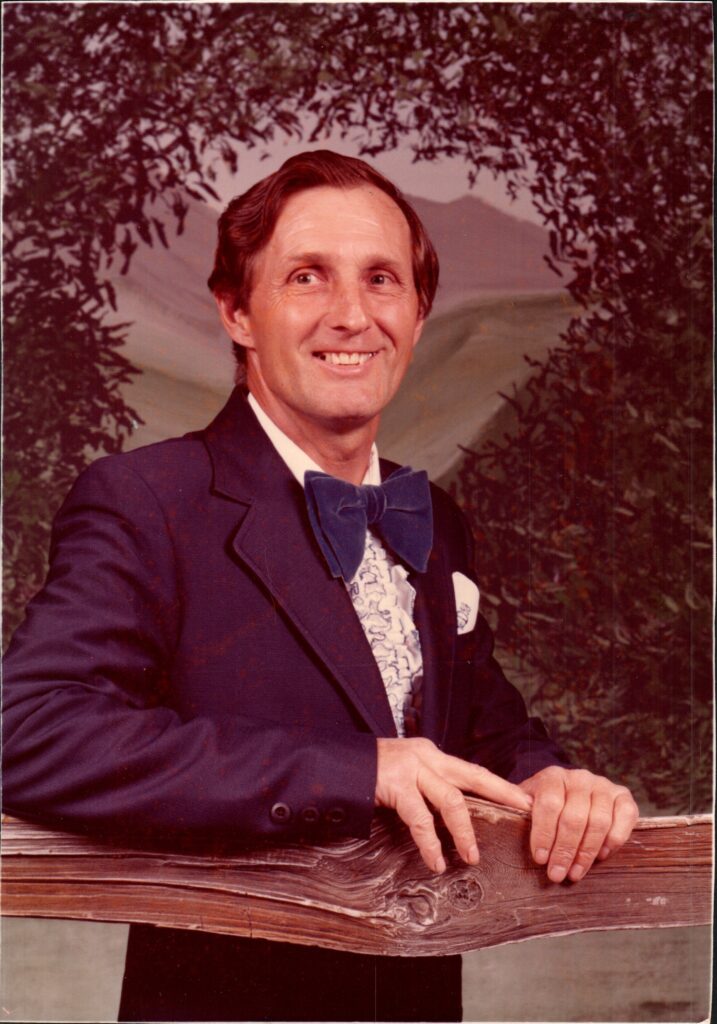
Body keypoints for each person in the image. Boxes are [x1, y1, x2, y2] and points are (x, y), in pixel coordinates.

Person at [2, 150, 639, 1022]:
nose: (352, 315)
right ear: (237, 312)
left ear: (417, 314)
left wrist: (552, 779)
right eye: (307, 276)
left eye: (382, 279)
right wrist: (355, 769)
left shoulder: (434, 517)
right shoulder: (147, 499)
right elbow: (30, 732)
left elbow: (479, 726)